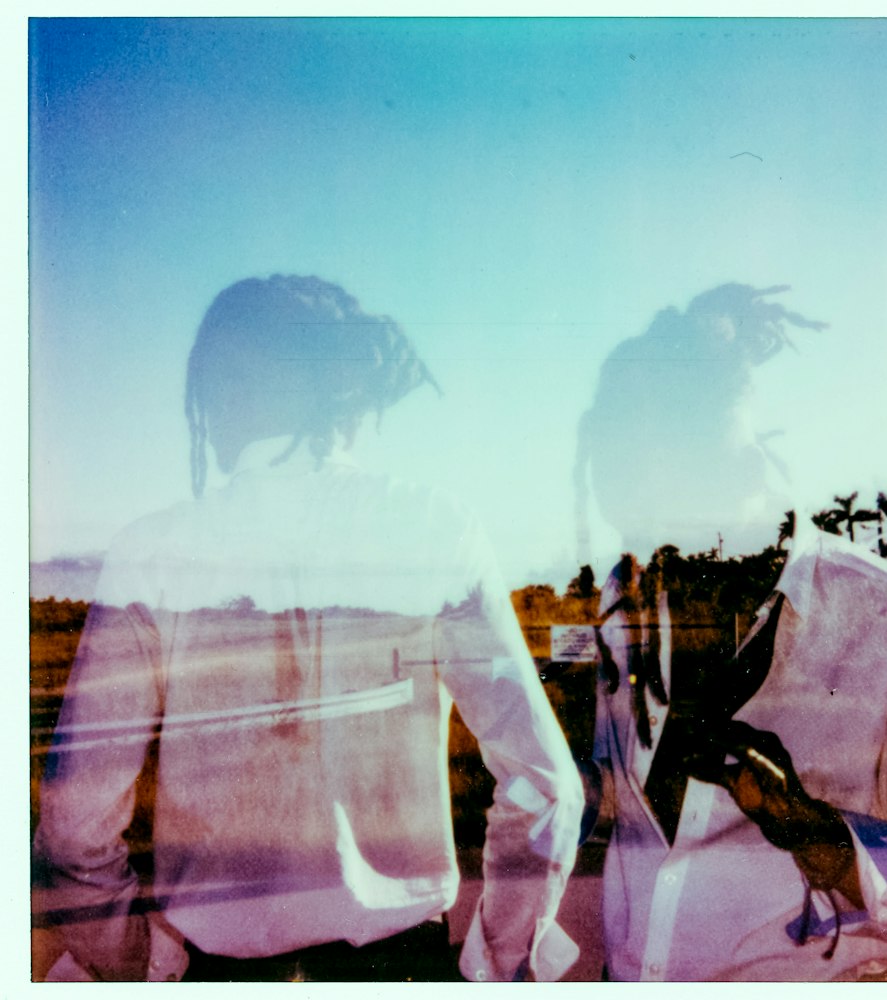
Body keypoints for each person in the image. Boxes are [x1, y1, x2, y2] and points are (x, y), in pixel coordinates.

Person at [33, 274, 583, 982]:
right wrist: (498, 957)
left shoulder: (152, 553)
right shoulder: (436, 530)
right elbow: (545, 784)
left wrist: (133, 958)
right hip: (398, 967)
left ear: (235, 388)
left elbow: (74, 827)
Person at [574, 283, 887, 981]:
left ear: (750, 465)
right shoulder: (625, 607)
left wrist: (823, 840)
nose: (645, 542)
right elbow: (638, 831)